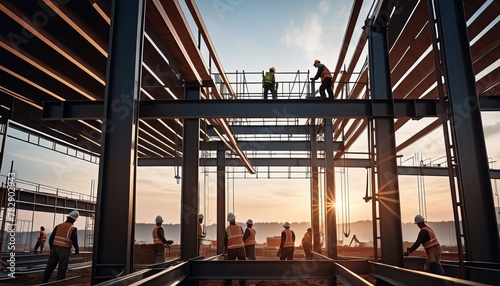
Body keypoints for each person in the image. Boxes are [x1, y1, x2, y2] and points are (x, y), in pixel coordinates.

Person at [41, 210, 79, 283]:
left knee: (50, 266)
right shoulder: (72, 228)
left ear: (67, 217)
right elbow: (74, 240)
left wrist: (52, 248)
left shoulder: (58, 226)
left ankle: (43, 281)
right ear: (74, 219)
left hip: (54, 248)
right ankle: (59, 283)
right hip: (65, 250)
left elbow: (51, 239)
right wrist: (77, 249)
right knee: (62, 267)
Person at [223, 212, 246, 286]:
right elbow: (242, 236)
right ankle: (242, 282)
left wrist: (226, 248)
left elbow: (225, 240)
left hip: (231, 249)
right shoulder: (240, 227)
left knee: (230, 266)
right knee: (242, 266)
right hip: (241, 248)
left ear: (228, 220)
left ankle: (228, 282)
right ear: (234, 219)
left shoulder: (227, 229)